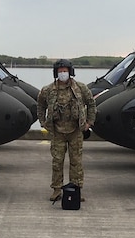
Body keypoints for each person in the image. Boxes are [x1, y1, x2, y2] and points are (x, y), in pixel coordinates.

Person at [36, 59, 97, 202]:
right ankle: (57, 189)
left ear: (70, 72)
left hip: (76, 131)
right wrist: (43, 122)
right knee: (57, 162)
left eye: (65, 70)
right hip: (57, 132)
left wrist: (89, 122)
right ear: (56, 73)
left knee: (76, 162)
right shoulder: (48, 90)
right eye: (60, 71)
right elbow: (40, 105)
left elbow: (92, 104)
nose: (63, 73)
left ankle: (75, 189)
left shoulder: (80, 88)